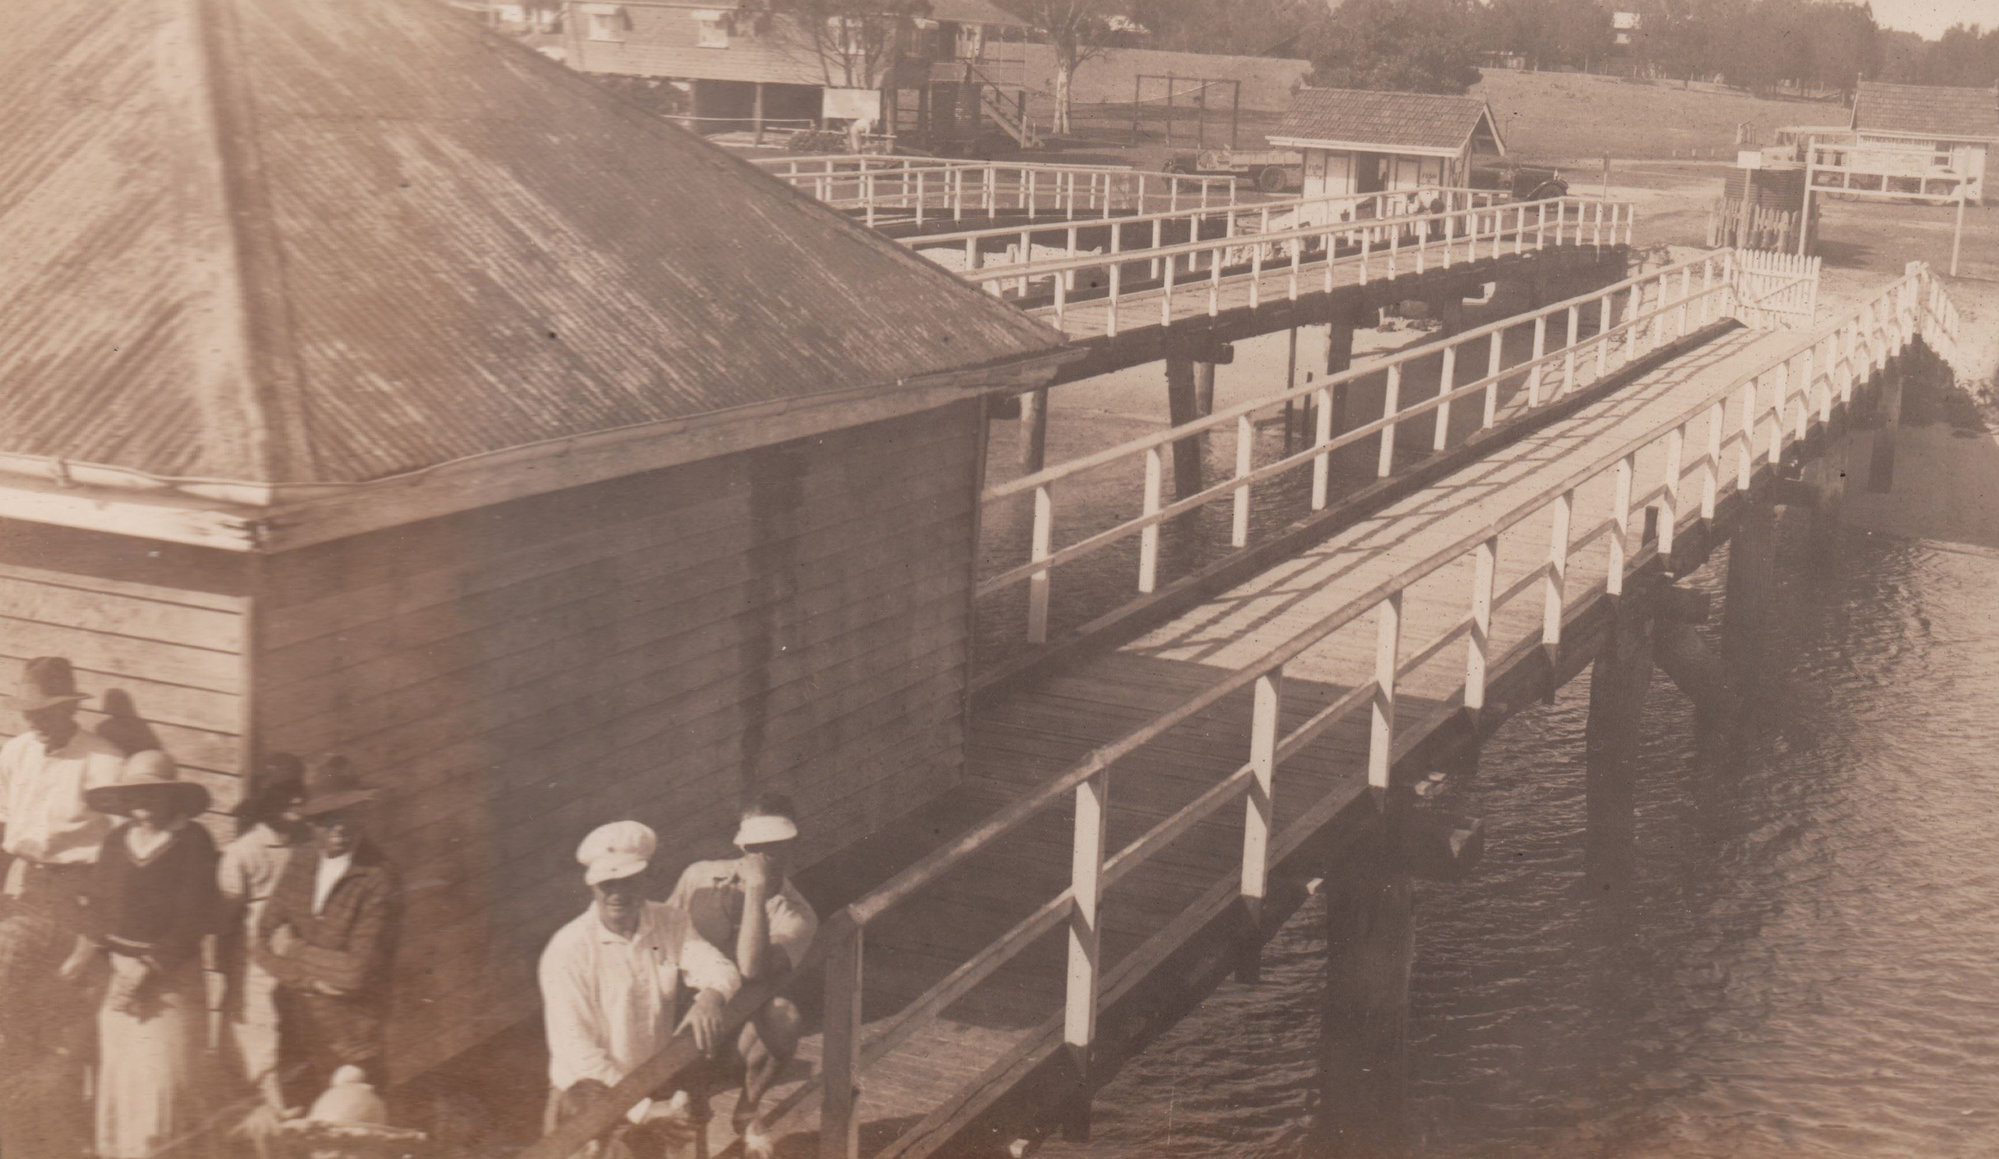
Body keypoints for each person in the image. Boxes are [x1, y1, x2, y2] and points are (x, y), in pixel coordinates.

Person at [59, 750, 221, 1159]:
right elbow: (99, 906)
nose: (141, 800)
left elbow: (194, 918)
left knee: (166, 1083)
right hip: (118, 977)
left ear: (173, 797)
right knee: (123, 1081)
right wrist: (89, 957)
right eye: (133, 792)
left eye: (151, 792)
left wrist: (147, 970)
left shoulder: (193, 841)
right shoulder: (116, 841)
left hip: (171, 980)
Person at [537, 820, 733, 1157]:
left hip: (651, 1091)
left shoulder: (670, 922)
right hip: (588, 1106)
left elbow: (720, 968)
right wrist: (643, 1111)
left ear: (646, 877)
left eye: (628, 881)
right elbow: (579, 1054)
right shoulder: (568, 949)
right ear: (592, 885)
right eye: (606, 883)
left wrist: (711, 997)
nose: (618, 894)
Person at [0, 656, 127, 1153]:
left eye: (46, 713)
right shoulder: (16, 753)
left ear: (69, 708)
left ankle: (65, 1137)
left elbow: (118, 857)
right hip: (27, 894)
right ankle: (14, 1129)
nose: (36, 723)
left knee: (69, 1013)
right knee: (10, 1000)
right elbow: (4, 832)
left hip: (80, 898)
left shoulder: (103, 762)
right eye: (29, 713)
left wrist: (95, 931)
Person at [669, 794, 818, 1159]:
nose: (768, 857)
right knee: (685, 1125)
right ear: (742, 844)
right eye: (758, 847)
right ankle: (687, 1095)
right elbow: (662, 944)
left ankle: (747, 1110)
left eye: (778, 846)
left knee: (785, 1017)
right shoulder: (697, 877)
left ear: (792, 845)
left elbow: (751, 967)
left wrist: (754, 890)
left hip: (741, 1029)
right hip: (684, 1017)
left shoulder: (797, 914)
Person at [254, 754, 401, 1105]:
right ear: (312, 821)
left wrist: (295, 950)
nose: (339, 828)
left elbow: (356, 972)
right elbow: (261, 940)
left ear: (362, 815)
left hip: (349, 1041)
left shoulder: (378, 878)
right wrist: (312, 979)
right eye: (328, 818)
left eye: (348, 816)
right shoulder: (301, 861)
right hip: (294, 1032)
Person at [219, 753, 310, 1113]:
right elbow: (226, 922)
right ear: (266, 803)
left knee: (301, 1039)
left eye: (299, 793)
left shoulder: (308, 845)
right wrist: (229, 977)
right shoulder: (243, 853)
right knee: (261, 1039)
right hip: (257, 969)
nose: (297, 802)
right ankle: (271, 1116)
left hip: (304, 963)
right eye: (287, 795)